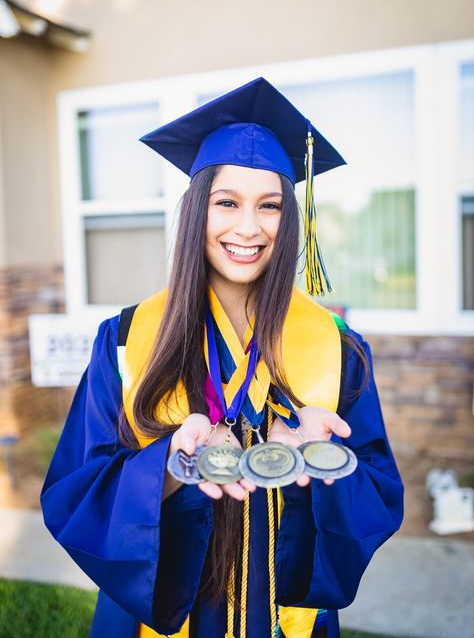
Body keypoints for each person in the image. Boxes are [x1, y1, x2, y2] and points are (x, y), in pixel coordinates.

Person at [41, 77, 404, 638]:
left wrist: (321, 461)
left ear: (291, 221)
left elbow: (379, 494)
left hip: (282, 617)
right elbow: (75, 491)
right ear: (195, 213)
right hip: (165, 618)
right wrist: (164, 466)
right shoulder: (125, 339)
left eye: (271, 206)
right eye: (227, 202)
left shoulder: (336, 346)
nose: (248, 227)